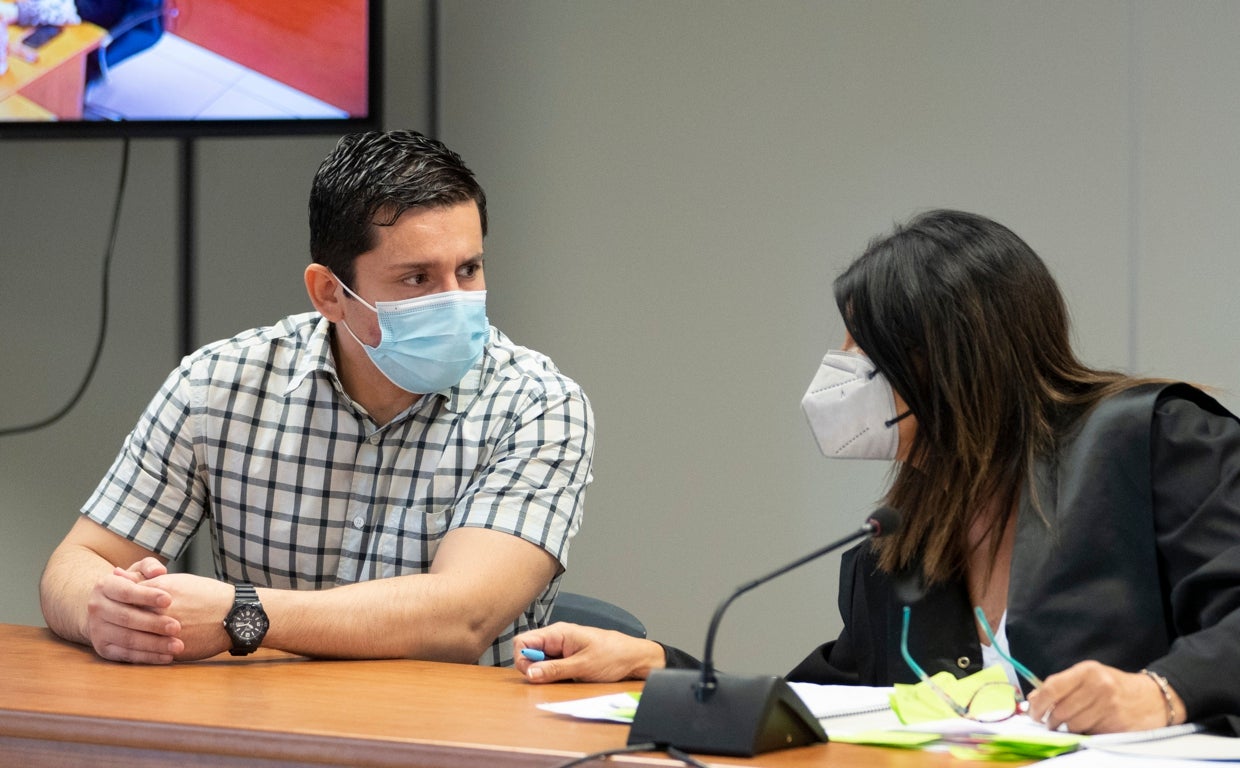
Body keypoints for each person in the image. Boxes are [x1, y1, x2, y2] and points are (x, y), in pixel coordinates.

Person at [514, 209, 1240, 735]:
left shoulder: (1157, 439)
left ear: (947, 360)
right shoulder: (900, 536)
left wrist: (1163, 693)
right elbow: (830, 700)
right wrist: (659, 666)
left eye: (862, 354)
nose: (839, 380)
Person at [39, 130, 595, 668]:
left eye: (468, 270)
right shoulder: (219, 384)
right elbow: (77, 564)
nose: (455, 302)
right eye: (417, 278)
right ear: (330, 292)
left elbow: (460, 620)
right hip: (265, 738)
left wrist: (242, 615)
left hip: (454, 747)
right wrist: (110, 614)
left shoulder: (539, 405)